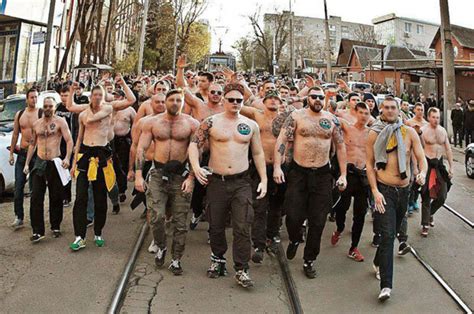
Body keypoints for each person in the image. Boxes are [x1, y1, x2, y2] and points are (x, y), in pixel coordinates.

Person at [188, 83, 267, 288]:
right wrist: (196, 167)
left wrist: (264, 180)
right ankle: (218, 259)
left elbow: (258, 153)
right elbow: (194, 144)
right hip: (217, 181)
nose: (235, 103)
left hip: (241, 182)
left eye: (239, 100)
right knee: (216, 225)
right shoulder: (211, 122)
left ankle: (242, 269)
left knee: (242, 225)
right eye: (231, 100)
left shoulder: (250, 125)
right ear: (224, 100)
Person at [273, 86, 347, 279]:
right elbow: (282, 140)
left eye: (321, 97)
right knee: (293, 215)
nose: (317, 100)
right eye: (314, 96)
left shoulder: (331, 120)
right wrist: (277, 167)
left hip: (322, 175)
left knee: (318, 220)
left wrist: (343, 174)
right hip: (299, 173)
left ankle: (309, 259)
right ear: (307, 98)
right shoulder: (297, 117)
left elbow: (340, 147)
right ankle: (295, 238)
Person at [366, 96, 427, 301]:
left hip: (404, 191)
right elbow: (369, 164)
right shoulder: (374, 134)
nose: (390, 111)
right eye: (387, 108)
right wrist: (375, 191)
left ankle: (377, 261)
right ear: (381, 110)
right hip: (384, 191)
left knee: (389, 235)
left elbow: (421, 158)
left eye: (394, 107)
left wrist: (422, 173)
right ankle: (386, 285)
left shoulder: (409, 132)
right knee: (388, 235)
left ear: (399, 110)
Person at [68, 76, 136, 251]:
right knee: (81, 197)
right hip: (85, 153)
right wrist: (73, 162)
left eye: (100, 94)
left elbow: (131, 100)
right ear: (91, 96)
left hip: (102, 153)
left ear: (104, 96)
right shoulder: (84, 113)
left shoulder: (109, 108)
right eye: (95, 94)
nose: (97, 97)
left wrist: (122, 83)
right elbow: (78, 137)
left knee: (100, 197)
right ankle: (79, 236)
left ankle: (98, 232)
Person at [135, 89, 199, 275]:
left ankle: (176, 258)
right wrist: (139, 175)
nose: (175, 103)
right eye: (171, 100)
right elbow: (141, 148)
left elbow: (197, 153)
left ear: (183, 102)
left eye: (179, 100)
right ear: (165, 101)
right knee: (156, 215)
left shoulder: (192, 124)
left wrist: (191, 178)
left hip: (181, 175)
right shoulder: (152, 123)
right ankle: (161, 246)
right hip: (158, 173)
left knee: (180, 220)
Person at [176, 54, 225, 230]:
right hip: (199, 153)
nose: (216, 95)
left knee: (215, 192)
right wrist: (180, 69)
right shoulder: (199, 105)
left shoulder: (227, 109)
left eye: (219, 93)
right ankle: (196, 212)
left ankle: (214, 225)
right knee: (196, 189)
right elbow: (181, 87)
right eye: (213, 92)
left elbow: (250, 102)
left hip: (219, 156)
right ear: (208, 93)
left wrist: (237, 81)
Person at [239, 90, 289, 263]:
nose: (274, 101)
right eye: (271, 98)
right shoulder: (255, 114)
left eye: (277, 99)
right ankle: (258, 244)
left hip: (280, 167)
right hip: (259, 167)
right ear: (264, 101)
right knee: (259, 206)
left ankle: (272, 235)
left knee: (277, 205)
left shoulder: (286, 118)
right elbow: (236, 104)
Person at [23, 97, 73, 242]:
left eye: (50, 106)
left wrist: (67, 158)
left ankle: (55, 225)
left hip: (54, 162)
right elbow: (32, 144)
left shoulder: (60, 122)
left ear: (54, 108)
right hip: (39, 162)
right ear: (42, 107)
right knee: (36, 197)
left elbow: (69, 140)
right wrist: (27, 163)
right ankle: (37, 231)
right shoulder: (36, 124)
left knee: (56, 196)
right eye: (45, 106)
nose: (48, 108)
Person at [330, 102, 370, 262]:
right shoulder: (347, 127)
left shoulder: (371, 133)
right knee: (342, 207)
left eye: (367, 113)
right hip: (347, 174)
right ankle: (339, 229)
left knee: (360, 213)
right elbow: (331, 115)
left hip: (363, 176)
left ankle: (354, 247)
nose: (364, 116)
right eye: (361, 113)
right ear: (355, 113)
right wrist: (329, 98)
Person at [9, 88, 42, 229]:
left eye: (36, 97)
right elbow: (15, 134)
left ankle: (34, 219)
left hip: (36, 154)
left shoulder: (41, 113)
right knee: (18, 188)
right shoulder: (20, 114)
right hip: (22, 153)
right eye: (32, 97)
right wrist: (11, 153)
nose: (34, 100)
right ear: (27, 99)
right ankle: (19, 216)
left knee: (35, 190)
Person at [420, 108, 453, 236]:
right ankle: (425, 223)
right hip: (426, 163)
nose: (436, 120)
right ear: (428, 117)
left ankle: (430, 214)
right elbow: (417, 149)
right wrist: (418, 168)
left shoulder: (443, 131)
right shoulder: (423, 130)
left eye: (438, 117)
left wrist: (451, 167)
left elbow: (448, 150)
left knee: (442, 196)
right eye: (433, 117)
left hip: (439, 165)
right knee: (426, 194)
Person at [112, 90, 136, 203]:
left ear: (122, 98)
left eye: (117, 96)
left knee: (122, 165)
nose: (115, 98)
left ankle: (122, 190)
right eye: (113, 96)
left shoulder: (130, 110)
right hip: (111, 140)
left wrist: (135, 141)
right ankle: (113, 188)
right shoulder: (109, 108)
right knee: (111, 165)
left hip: (123, 140)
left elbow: (136, 126)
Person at [405, 103, 428, 214]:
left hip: (421, 155)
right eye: (418, 109)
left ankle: (414, 200)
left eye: (422, 109)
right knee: (411, 179)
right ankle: (409, 202)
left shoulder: (425, 124)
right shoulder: (409, 123)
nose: (420, 111)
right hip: (410, 155)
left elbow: (424, 144)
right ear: (414, 110)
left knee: (420, 180)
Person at [55, 86, 75, 206]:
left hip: (69, 142)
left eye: (66, 95)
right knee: (58, 170)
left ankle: (66, 197)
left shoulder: (73, 108)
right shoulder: (57, 107)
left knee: (66, 169)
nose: (63, 98)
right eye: (62, 95)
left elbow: (76, 127)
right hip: (58, 143)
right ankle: (60, 195)